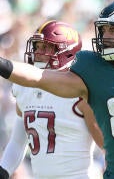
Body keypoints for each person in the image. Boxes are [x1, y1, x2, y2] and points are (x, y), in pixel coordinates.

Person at [0, 0, 114, 178]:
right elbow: (38, 78)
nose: (105, 36)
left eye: (113, 30)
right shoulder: (93, 68)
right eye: (103, 30)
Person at [0, 20, 103, 179]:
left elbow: (106, 147)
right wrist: (3, 171)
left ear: (67, 52)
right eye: (37, 47)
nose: (39, 52)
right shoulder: (23, 88)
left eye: (46, 47)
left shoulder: (80, 91)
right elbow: (17, 142)